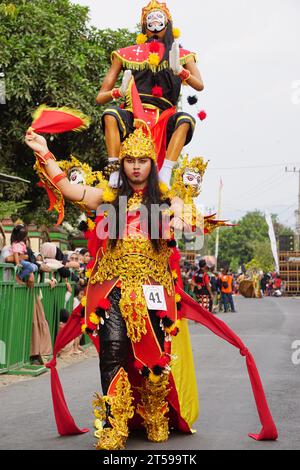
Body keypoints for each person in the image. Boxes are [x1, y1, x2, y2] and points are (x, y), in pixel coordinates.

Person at [24, 129, 278, 449]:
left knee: (154, 356)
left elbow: (187, 220)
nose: (135, 166)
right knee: (112, 351)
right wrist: (45, 152)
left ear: (151, 165)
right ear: (124, 164)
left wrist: (186, 210)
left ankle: (155, 413)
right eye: (130, 160)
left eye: (142, 160)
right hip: (112, 288)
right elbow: (68, 189)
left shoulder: (167, 198)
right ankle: (115, 424)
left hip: (152, 289)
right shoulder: (107, 196)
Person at [96, 0, 204, 188]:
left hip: (164, 114)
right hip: (133, 112)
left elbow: (199, 85)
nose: (155, 27)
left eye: (159, 22)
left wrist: (180, 70)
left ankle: (166, 172)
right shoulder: (125, 54)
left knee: (186, 120)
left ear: (168, 24)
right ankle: (114, 170)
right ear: (144, 25)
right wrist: (118, 92)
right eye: (150, 22)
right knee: (110, 115)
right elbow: (100, 97)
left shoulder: (182, 54)